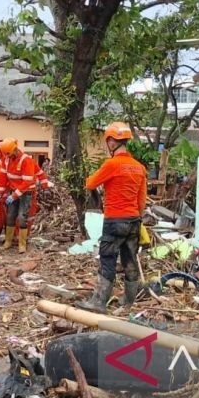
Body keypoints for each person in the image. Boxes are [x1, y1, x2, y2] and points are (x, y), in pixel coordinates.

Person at [77, 121, 147, 314]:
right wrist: (137, 219)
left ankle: (98, 303)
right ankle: (128, 302)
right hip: (134, 221)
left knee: (108, 259)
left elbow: (91, 183)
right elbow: (141, 200)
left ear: (112, 142)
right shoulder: (139, 167)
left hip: (115, 220)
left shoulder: (112, 164)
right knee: (130, 260)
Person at [0, 138, 37, 253]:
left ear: (14, 149)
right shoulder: (6, 159)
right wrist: (0, 194)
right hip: (13, 192)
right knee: (10, 217)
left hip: (25, 193)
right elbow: (3, 178)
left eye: (9, 154)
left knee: (22, 217)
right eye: (6, 154)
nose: (8, 156)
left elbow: (27, 182)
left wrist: (14, 195)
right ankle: (8, 241)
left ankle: (22, 244)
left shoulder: (26, 160)